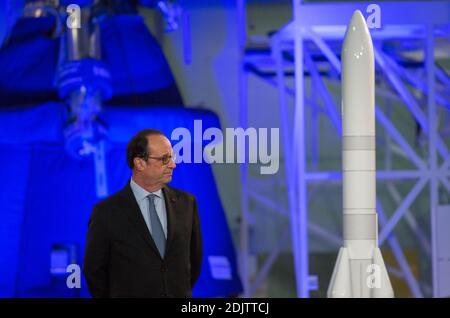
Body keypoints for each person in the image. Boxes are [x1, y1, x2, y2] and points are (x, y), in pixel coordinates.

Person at [83, 129, 203, 298]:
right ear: (140, 163)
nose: (173, 165)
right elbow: (94, 272)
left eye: (172, 157)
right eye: (164, 159)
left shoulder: (187, 204)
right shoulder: (106, 212)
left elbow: (194, 262)